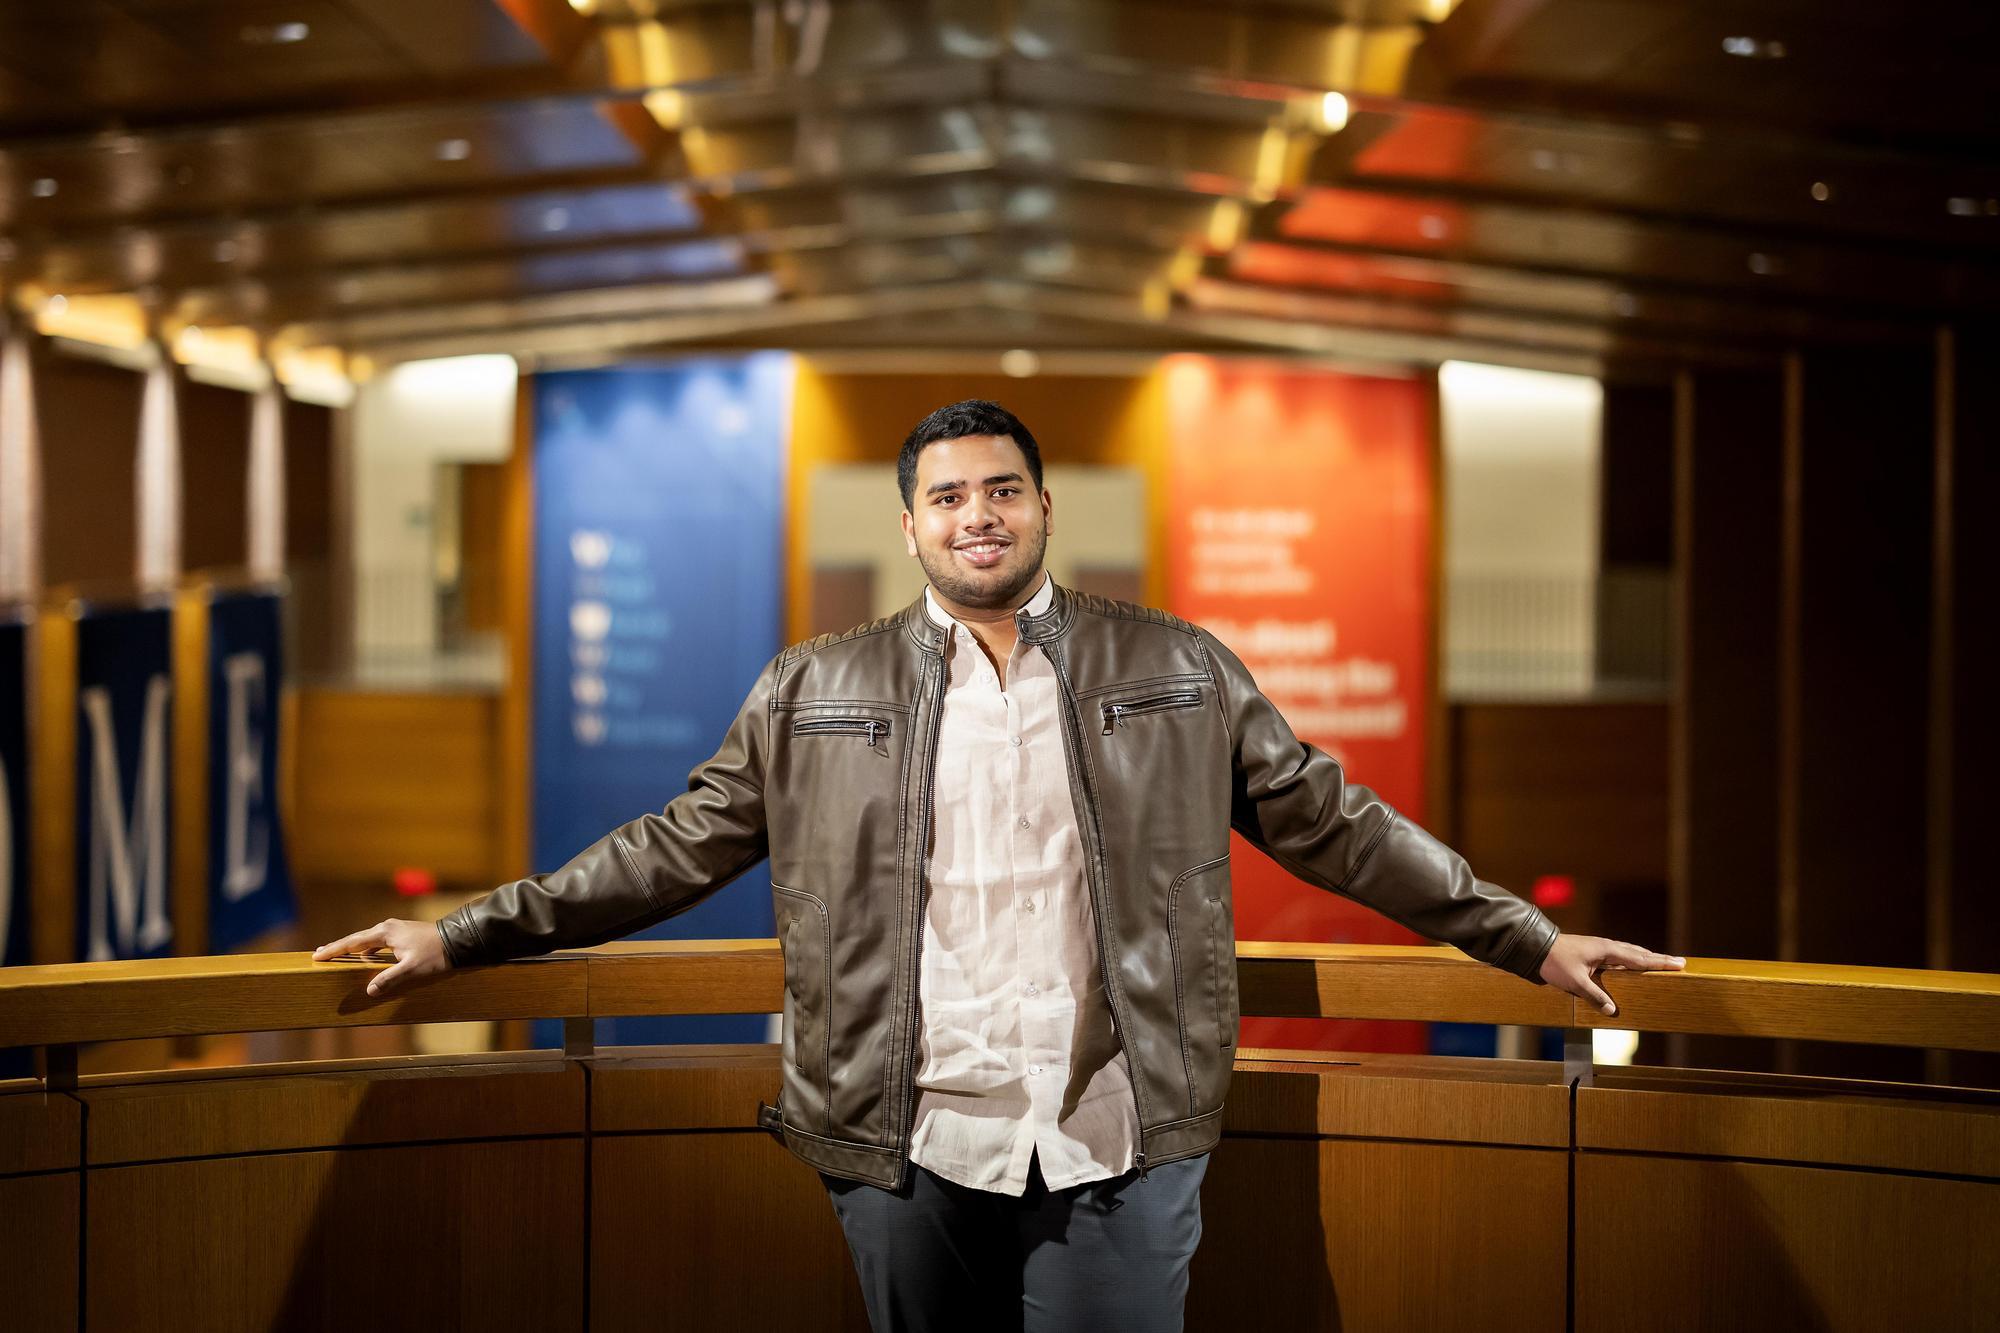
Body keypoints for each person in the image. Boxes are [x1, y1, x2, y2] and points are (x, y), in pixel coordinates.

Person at [313, 399, 1683, 1331]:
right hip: (903, 1133)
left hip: (1119, 1128)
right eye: (948, 497)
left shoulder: (1174, 667)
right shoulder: (813, 689)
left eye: (1003, 490)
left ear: (1043, 508)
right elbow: (673, 848)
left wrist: (1528, 939)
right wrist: (463, 935)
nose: (979, 515)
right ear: (909, 526)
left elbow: (1335, 821)